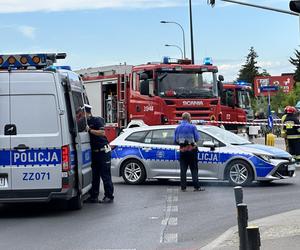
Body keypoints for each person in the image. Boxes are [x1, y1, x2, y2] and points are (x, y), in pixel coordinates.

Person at [84, 104, 114, 203]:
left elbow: (102, 133)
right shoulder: (85, 122)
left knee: (105, 175)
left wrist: (90, 130)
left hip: (103, 152)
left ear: (87, 112)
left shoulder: (97, 120)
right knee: (95, 176)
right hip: (94, 153)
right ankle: (94, 196)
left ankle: (109, 196)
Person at [174, 112, 204, 192]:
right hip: (192, 150)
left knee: (183, 170)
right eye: (190, 117)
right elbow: (197, 138)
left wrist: (182, 143)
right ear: (188, 118)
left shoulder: (177, 128)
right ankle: (196, 187)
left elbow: (175, 140)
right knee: (194, 169)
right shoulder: (192, 127)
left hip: (182, 151)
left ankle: (183, 187)